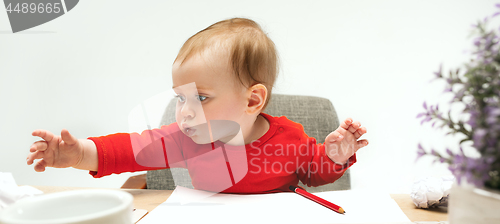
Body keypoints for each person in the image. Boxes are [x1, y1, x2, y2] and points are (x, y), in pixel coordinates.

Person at [26, 18, 369, 193]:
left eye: (201, 98)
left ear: (253, 100)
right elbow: (126, 150)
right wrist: (78, 154)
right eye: (181, 98)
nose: (185, 111)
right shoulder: (184, 137)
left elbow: (315, 173)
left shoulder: (290, 138)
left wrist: (335, 157)